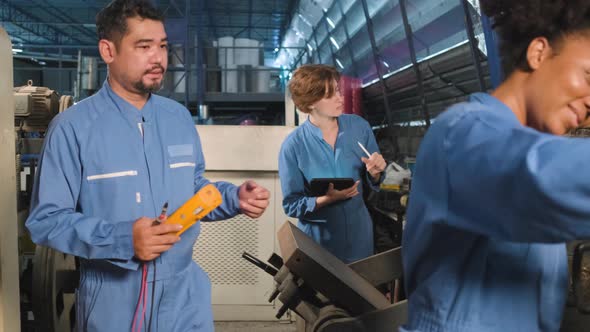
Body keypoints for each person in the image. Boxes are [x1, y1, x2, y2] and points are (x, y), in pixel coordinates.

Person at [25, 1, 270, 331]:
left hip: (186, 300)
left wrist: (232, 197)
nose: (159, 58)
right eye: (144, 46)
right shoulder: (73, 128)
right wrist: (124, 240)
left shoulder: (178, 118)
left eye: (163, 46)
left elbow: (193, 187)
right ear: (108, 51)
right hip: (113, 304)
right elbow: (46, 220)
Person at [401, 1, 590, 331]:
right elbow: (540, 176)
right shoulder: (461, 133)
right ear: (539, 53)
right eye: (588, 75)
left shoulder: (527, 145)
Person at [278, 64, 386, 263]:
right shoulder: (293, 146)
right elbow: (291, 205)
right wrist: (326, 199)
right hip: (319, 244)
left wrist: (376, 172)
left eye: (337, 90)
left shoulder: (359, 127)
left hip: (359, 237)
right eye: (330, 95)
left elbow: (376, 180)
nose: (340, 98)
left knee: (360, 292)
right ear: (311, 103)